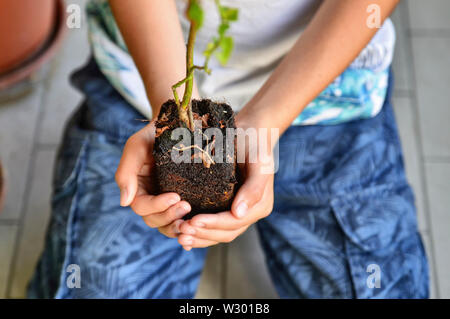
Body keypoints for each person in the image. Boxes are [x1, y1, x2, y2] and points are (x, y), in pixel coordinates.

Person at [28, 0, 428, 298]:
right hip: (141, 74)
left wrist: (264, 123)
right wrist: (169, 114)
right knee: (91, 284)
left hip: (327, 92)